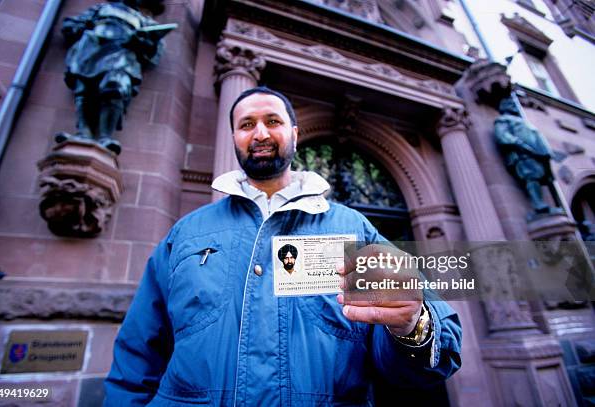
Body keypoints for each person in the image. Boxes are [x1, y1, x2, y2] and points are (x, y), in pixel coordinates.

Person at [104, 86, 462, 405]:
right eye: (246, 125)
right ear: (234, 137)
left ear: (293, 132)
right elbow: (137, 353)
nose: (259, 133)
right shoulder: (186, 234)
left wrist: (413, 326)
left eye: (272, 121)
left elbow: (423, 363)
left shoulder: (354, 229)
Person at [59, 0, 170, 155]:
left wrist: (143, 41)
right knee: (84, 89)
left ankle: (105, 136)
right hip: (92, 51)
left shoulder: (143, 21)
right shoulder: (103, 9)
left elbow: (154, 53)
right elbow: (71, 25)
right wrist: (86, 28)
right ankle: (83, 133)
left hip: (121, 55)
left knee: (115, 88)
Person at [494, 97, 559, 215]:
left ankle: (550, 205)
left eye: (513, 103)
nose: (513, 105)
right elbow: (503, 136)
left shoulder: (523, 120)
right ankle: (539, 205)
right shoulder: (502, 120)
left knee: (545, 178)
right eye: (509, 104)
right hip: (523, 154)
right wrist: (520, 144)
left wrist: (544, 151)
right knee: (531, 176)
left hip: (538, 154)